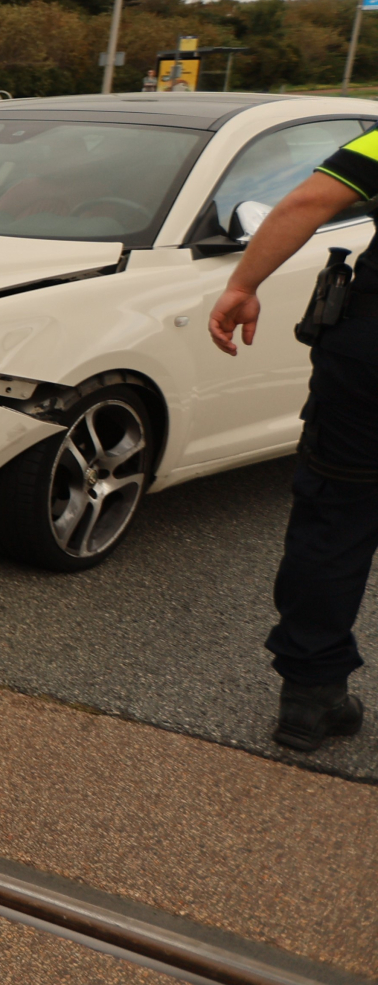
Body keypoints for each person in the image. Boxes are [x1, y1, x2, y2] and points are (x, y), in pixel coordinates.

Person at [207, 132, 378, 752]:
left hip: (368, 359)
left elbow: (304, 205)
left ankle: (310, 697)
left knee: (334, 519)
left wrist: (242, 285)